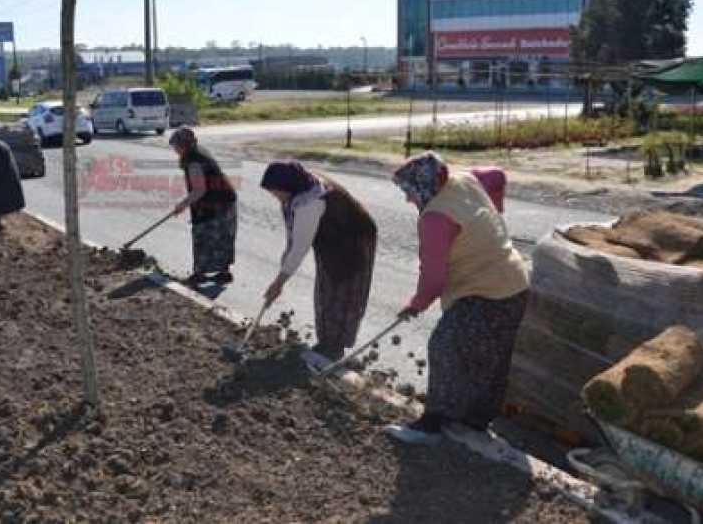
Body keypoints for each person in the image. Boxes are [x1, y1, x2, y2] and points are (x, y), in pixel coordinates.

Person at [385, 152, 530, 443]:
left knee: (445, 347)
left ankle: (432, 425)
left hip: (483, 292)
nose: (409, 200)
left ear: (424, 186)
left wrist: (415, 305)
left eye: (410, 193)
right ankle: (475, 422)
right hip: (515, 283)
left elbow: (434, 278)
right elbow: (494, 178)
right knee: (491, 358)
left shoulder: (434, 218)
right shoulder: (462, 180)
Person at [260, 161, 377, 361]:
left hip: (353, 239)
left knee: (343, 290)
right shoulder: (299, 190)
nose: (276, 197)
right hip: (331, 237)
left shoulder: (310, 203)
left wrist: (279, 281)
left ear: (288, 186)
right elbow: (293, 239)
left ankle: (334, 347)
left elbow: (299, 247)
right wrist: (282, 270)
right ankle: (326, 341)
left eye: (277, 192)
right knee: (326, 288)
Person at [169, 127, 237, 285]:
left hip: (216, 203)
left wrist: (182, 204)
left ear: (184, 145)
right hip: (225, 199)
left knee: (203, 235)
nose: (175, 150)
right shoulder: (198, 152)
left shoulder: (193, 161)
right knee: (222, 236)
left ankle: (199, 274)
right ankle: (223, 272)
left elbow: (199, 190)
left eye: (176, 146)